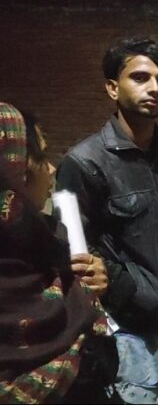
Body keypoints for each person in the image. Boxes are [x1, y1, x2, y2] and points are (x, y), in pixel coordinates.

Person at [55, 38, 158, 404]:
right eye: (140, 77)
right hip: (131, 333)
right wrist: (118, 285)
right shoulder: (82, 163)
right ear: (112, 87)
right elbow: (70, 247)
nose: (154, 88)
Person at [0, 102, 110, 404]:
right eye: (41, 157)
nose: (51, 169)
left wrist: (92, 282)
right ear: (14, 169)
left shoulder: (49, 238)